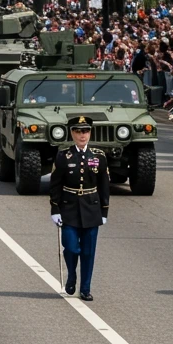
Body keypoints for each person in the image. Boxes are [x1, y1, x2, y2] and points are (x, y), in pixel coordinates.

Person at [50, 115, 109, 302]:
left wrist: (104, 211)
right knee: (71, 247)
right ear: (71, 133)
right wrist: (55, 209)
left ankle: (85, 288)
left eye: (85, 131)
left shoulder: (99, 156)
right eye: (77, 131)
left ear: (90, 133)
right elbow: (55, 184)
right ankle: (71, 276)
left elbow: (104, 185)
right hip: (69, 207)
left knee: (88, 252)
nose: (82, 135)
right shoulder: (63, 155)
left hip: (91, 208)